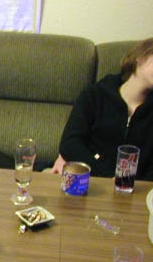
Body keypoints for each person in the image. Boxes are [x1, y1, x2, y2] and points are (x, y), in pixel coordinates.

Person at [51, 38, 153, 179]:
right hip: (88, 178)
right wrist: (106, 176)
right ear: (140, 58)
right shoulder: (95, 95)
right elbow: (70, 143)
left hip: (133, 187)